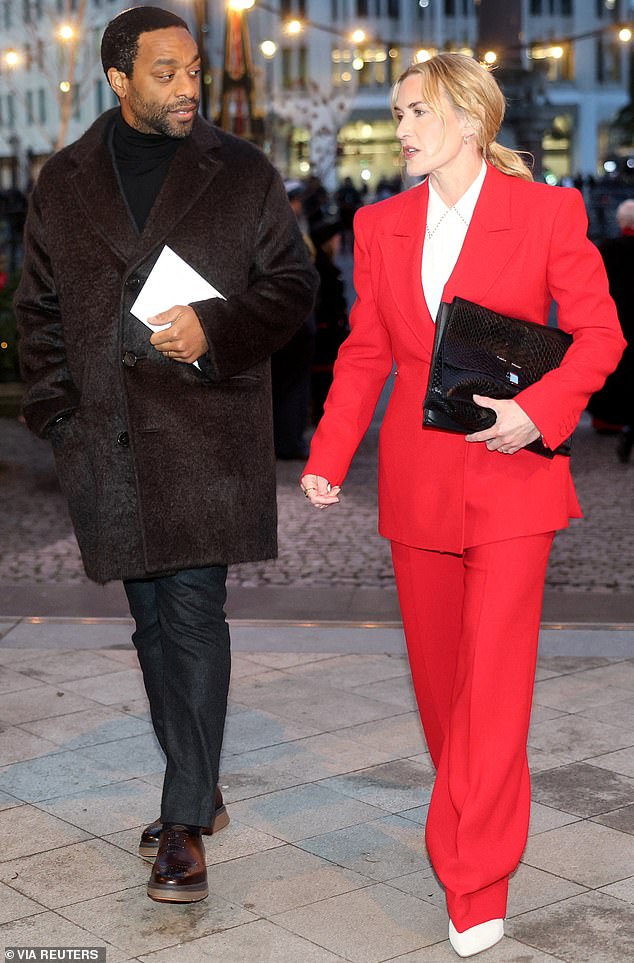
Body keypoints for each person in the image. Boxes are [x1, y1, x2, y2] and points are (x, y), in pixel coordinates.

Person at [300, 53, 624, 958]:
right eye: (398, 112)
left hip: (516, 478)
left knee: (493, 687)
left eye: (417, 111)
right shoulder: (380, 222)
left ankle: (477, 873)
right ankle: (469, 822)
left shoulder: (547, 211)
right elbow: (367, 350)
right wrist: (329, 452)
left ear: (470, 120)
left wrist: (539, 413)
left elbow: (601, 335)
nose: (400, 127)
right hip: (419, 484)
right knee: (444, 691)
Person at [15, 6, 317, 904]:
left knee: (190, 617)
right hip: (107, 444)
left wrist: (215, 327)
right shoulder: (64, 180)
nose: (190, 87)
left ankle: (183, 820)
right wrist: (60, 416)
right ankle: (199, 782)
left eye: (194, 70)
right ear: (119, 80)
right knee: (150, 626)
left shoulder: (243, 171)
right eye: (167, 73)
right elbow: (37, 311)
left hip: (205, 438)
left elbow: (294, 284)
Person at [271, 181, 317, 459]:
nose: (299, 205)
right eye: (294, 200)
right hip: (292, 321)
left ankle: (289, 439)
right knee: (290, 387)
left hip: (296, 319)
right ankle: (288, 441)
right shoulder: (283, 231)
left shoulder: (286, 228)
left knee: (292, 387)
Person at [587, 198, 634, 462]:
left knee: (615, 369)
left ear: (620, 221)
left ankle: (610, 420)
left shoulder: (607, 249)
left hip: (616, 318)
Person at [309, 218, 349, 423]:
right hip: (326, 337)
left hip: (328, 335)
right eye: (335, 238)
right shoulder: (324, 271)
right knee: (324, 383)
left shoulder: (327, 268)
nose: (339, 241)